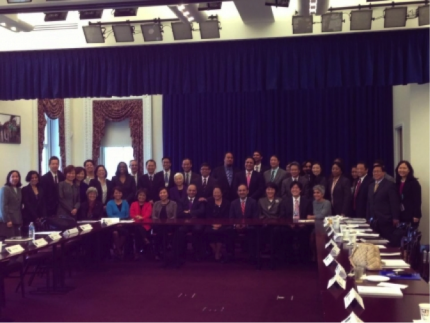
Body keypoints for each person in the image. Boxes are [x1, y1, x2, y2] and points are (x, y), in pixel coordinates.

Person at [280, 181, 313, 262]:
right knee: (283, 232)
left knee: (305, 233)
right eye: (293, 188)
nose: (295, 189)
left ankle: (304, 259)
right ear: (290, 189)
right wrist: (289, 224)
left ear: (300, 190)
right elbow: (282, 216)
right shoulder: (285, 201)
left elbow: (309, 215)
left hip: (303, 226)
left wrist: (304, 223)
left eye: (297, 188)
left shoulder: (307, 201)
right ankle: (287, 258)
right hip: (289, 226)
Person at [225, 184, 259, 263]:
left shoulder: (253, 202)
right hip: (236, 227)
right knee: (228, 231)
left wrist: (246, 225)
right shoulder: (233, 203)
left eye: (244, 190)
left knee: (253, 231)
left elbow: (255, 217)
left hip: (249, 227)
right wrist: (236, 225)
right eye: (240, 190)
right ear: (237, 192)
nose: (242, 192)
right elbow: (231, 218)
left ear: (247, 191)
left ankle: (252, 256)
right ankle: (230, 255)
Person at [367, 165, 400, 244]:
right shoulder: (371, 186)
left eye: (378, 171)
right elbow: (369, 202)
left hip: (386, 219)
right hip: (374, 220)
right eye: (374, 171)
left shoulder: (390, 185)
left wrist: (395, 217)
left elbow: (394, 202)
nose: (376, 173)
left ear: (383, 173)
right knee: (375, 243)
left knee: (387, 242)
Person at [176, 184, 206, 262]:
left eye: (193, 190)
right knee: (180, 231)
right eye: (190, 190)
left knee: (198, 230)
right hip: (185, 223)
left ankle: (197, 253)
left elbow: (202, 212)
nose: (191, 192)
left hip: (196, 223)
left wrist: (189, 212)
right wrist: (193, 214)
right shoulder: (181, 200)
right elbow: (179, 213)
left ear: (196, 191)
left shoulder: (199, 200)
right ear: (187, 191)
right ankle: (182, 253)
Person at [258, 182, 283, 267]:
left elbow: (280, 214)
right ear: (265, 190)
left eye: (272, 189)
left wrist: (274, 220)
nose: (270, 191)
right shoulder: (261, 201)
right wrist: (266, 220)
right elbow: (260, 214)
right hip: (264, 225)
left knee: (275, 232)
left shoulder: (280, 200)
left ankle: (274, 256)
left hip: (276, 225)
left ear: (275, 191)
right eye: (268, 189)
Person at [152, 188, 178, 261]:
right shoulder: (156, 203)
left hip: (170, 225)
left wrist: (167, 222)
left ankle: (161, 251)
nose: (163, 194)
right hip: (158, 225)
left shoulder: (173, 203)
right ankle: (162, 251)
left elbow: (174, 216)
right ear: (159, 195)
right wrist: (159, 222)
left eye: (164, 192)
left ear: (167, 194)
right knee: (160, 231)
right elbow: (154, 216)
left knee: (163, 231)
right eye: (161, 193)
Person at [205, 187, 230, 261]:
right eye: (215, 192)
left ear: (222, 193)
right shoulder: (209, 201)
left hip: (223, 224)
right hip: (211, 224)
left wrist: (221, 224)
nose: (216, 194)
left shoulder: (227, 203)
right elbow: (207, 215)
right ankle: (216, 251)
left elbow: (227, 215)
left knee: (221, 232)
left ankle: (217, 252)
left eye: (218, 192)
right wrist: (213, 224)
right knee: (207, 232)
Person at [395, 160, 422, 226]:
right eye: (400, 168)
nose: (402, 170)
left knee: (410, 235)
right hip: (400, 215)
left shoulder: (414, 183)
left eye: (404, 168)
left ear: (409, 170)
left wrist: (416, 215)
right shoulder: (397, 183)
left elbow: (417, 200)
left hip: (411, 215)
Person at [129, 189, 153, 255]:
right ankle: (145, 239)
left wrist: (142, 218)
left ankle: (137, 251)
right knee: (137, 227)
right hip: (135, 224)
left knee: (138, 229)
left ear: (146, 197)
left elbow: (148, 214)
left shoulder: (148, 204)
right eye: (140, 195)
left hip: (146, 225)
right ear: (137, 196)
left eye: (143, 195)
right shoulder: (133, 204)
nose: (141, 197)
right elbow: (131, 214)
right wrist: (137, 218)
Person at [0, 170, 23, 238]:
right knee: (10, 241)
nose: (15, 178)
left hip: (17, 220)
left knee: (17, 241)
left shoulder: (19, 189)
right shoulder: (5, 189)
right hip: (8, 221)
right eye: (13, 176)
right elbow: (3, 206)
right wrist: (7, 220)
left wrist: (20, 219)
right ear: (9, 178)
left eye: (17, 176)